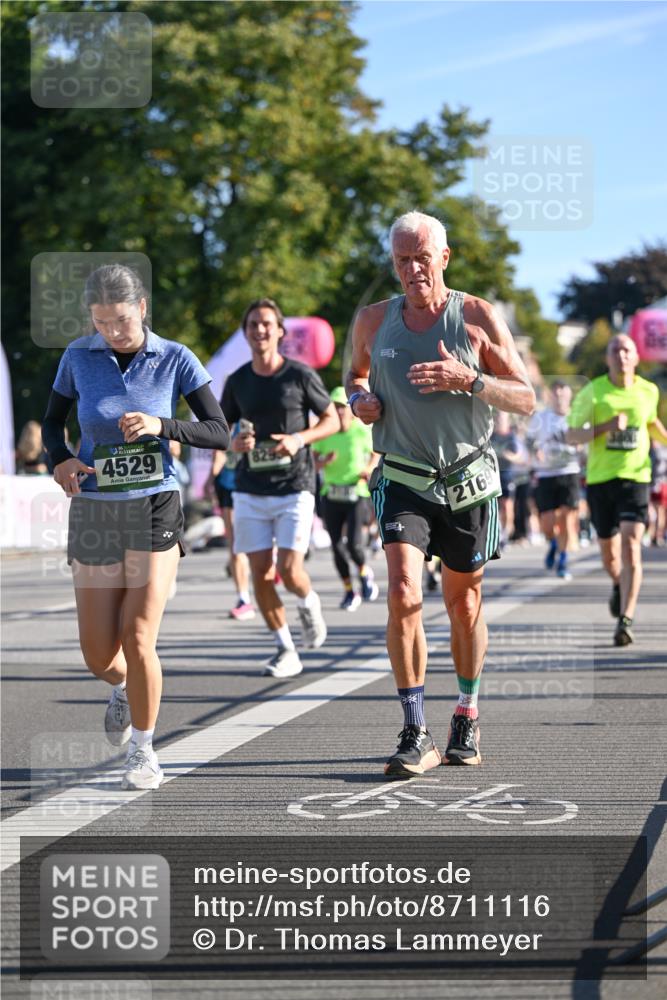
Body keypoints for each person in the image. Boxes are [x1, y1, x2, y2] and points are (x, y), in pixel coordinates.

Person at [345, 210, 535, 776]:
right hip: (403, 475)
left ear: (444, 258)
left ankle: (467, 713)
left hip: (469, 479)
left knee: (464, 603)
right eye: (401, 260)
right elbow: (353, 377)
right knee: (404, 590)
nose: (412, 270)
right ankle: (414, 728)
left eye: (421, 258)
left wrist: (470, 381)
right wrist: (360, 402)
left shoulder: (477, 317)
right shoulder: (373, 321)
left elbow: (523, 397)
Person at [42, 264, 229, 790]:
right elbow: (53, 423)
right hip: (97, 509)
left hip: (154, 505)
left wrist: (161, 425)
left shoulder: (174, 358)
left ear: (142, 308)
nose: (111, 332)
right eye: (101, 322)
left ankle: (144, 752)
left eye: (120, 321)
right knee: (99, 652)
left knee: (138, 634)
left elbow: (218, 431)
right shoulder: (79, 356)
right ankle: (124, 687)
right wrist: (59, 459)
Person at [221, 298, 339, 678]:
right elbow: (219, 429)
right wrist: (232, 443)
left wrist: (300, 439)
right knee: (260, 573)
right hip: (250, 488)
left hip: (294, 486)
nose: (260, 330)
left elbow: (332, 420)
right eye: (253, 323)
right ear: (246, 332)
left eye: (267, 323)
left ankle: (308, 602)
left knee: (289, 571)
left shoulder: (299, 376)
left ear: (281, 332)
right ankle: (286, 648)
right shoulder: (237, 381)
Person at [567, 333, 667, 646]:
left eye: (627, 350)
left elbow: (650, 422)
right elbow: (572, 435)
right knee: (611, 557)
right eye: (615, 350)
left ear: (636, 357)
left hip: (636, 478)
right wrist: (606, 427)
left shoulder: (649, 391)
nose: (621, 355)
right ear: (608, 358)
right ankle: (617, 583)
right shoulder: (593, 392)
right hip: (600, 481)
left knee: (632, 544)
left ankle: (626, 619)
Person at [312, 386, 379, 611]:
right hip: (331, 493)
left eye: (343, 408)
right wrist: (323, 462)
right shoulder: (325, 432)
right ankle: (350, 590)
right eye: (336, 408)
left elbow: (376, 451)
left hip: (356, 491)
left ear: (351, 411)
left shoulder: (361, 431)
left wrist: (369, 468)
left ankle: (364, 573)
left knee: (353, 544)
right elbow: (312, 462)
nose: (340, 412)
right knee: (336, 547)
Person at [527, 379, 582, 579]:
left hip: (569, 471)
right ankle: (552, 543)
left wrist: (580, 448)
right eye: (555, 392)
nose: (559, 396)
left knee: (567, 518)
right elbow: (529, 441)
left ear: (569, 395)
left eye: (563, 392)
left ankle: (563, 560)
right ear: (551, 395)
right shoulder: (541, 418)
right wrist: (535, 452)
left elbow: (584, 443)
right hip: (546, 473)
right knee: (548, 523)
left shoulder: (577, 417)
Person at [209, 444, 256, 620]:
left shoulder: (251, 419)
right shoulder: (224, 421)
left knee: (254, 544)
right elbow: (219, 454)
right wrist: (210, 480)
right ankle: (244, 599)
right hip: (229, 487)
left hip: (255, 486)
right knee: (236, 546)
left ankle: (271, 557)